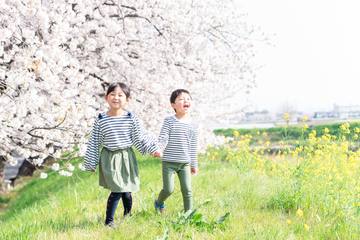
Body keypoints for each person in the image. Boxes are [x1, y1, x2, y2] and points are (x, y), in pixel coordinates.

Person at [84, 82, 160, 227]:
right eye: (112, 94)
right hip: (109, 158)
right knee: (118, 189)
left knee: (126, 190)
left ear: (127, 99)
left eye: (120, 95)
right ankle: (109, 221)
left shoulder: (131, 118)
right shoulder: (101, 120)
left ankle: (127, 214)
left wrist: (152, 149)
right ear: (106, 98)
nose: (116, 98)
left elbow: (140, 137)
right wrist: (91, 162)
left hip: (126, 157)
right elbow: (94, 141)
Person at [154, 89, 198, 213]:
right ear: (173, 105)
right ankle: (159, 202)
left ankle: (188, 214)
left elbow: (193, 146)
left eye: (188, 99)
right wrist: (159, 149)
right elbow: (163, 137)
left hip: (185, 163)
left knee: (187, 190)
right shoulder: (169, 121)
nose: (186, 101)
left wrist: (194, 165)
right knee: (168, 189)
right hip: (169, 162)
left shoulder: (193, 125)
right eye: (181, 99)